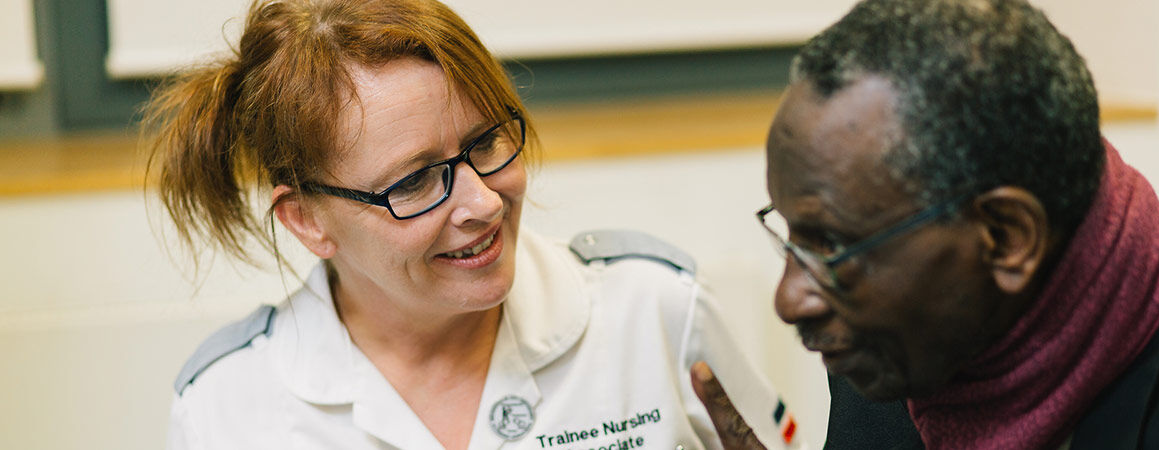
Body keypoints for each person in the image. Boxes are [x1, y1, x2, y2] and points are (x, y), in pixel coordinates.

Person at [144, 1, 799, 449]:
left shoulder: (656, 309)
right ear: (307, 221)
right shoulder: (227, 407)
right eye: (415, 180)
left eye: (485, 143)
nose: (484, 203)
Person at [689, 0, 1159, 448]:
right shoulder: (901, 354)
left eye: (832, 246)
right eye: (792, 238)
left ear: (1006, 238)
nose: (789, 299)